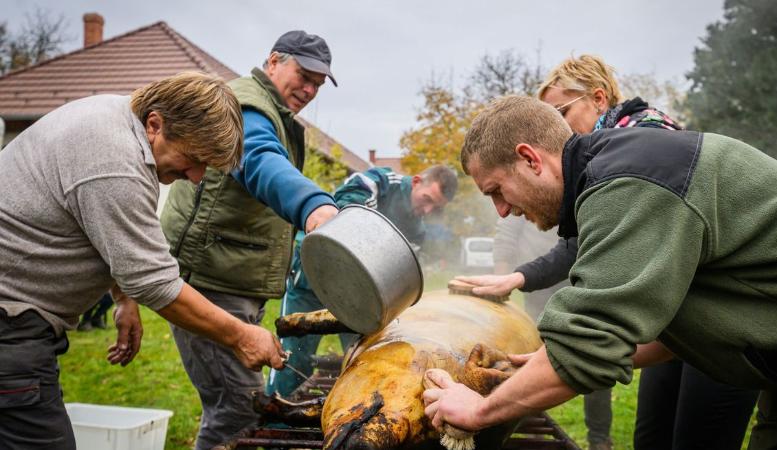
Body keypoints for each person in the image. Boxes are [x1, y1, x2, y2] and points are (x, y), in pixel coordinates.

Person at [422, 95, 777, 449]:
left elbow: (587, 348)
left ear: (530, 159)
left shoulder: (629, 182)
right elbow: (663, 333)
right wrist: (547, 361)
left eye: (496, 190)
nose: (502, 211)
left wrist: (479, 412)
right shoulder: (613, 173)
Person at [456, 55, 758, 450]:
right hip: (690, 325)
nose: (554, 124)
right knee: (652, 436)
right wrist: (540, 323)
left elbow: (596, 329)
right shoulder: (601, 169)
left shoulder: (636, 158)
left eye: (559, 111)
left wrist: (478, 412)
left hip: (760, 321)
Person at [0, 72, 285, 450]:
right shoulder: (114, 159)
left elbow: (103, 234)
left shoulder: (116, 124)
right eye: (195, 159)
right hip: (10, 325)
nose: (196, 177)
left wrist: (123, 300)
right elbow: (157, 282)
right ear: (156, 123)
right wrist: (242, 335)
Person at [159, 30, 339, 450]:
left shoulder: (275, 111)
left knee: (230, 403)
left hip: (232, 280)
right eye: (304, 75)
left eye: (318, 83)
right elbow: (257, 157)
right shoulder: (246, 105)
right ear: (274, 60)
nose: (310, 89)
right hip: (211, 283)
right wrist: (314, 206)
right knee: (237, 409)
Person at [270, 164, 458, 397]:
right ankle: (277, 406)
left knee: (363, 358)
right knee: (294, 354)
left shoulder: (417, 230)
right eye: (427, 199)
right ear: (417, 181)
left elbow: (401, 274)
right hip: (315, 272)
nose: (427, 209)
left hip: (360, 296)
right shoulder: (379, 181)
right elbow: (347, 206)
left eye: (435, 207)